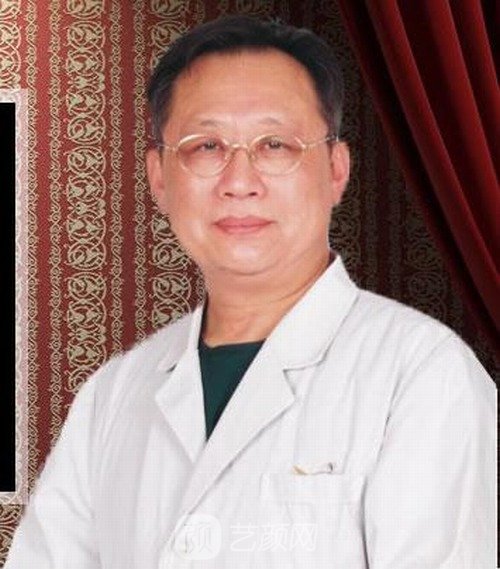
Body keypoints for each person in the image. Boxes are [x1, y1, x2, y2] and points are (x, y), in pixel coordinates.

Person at [5, 15, 496, 568]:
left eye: (275, 145)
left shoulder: (422, 375)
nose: (239, 182)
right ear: (159, 177)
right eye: (206, 146)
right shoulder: (112, 395)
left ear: (337, 170)